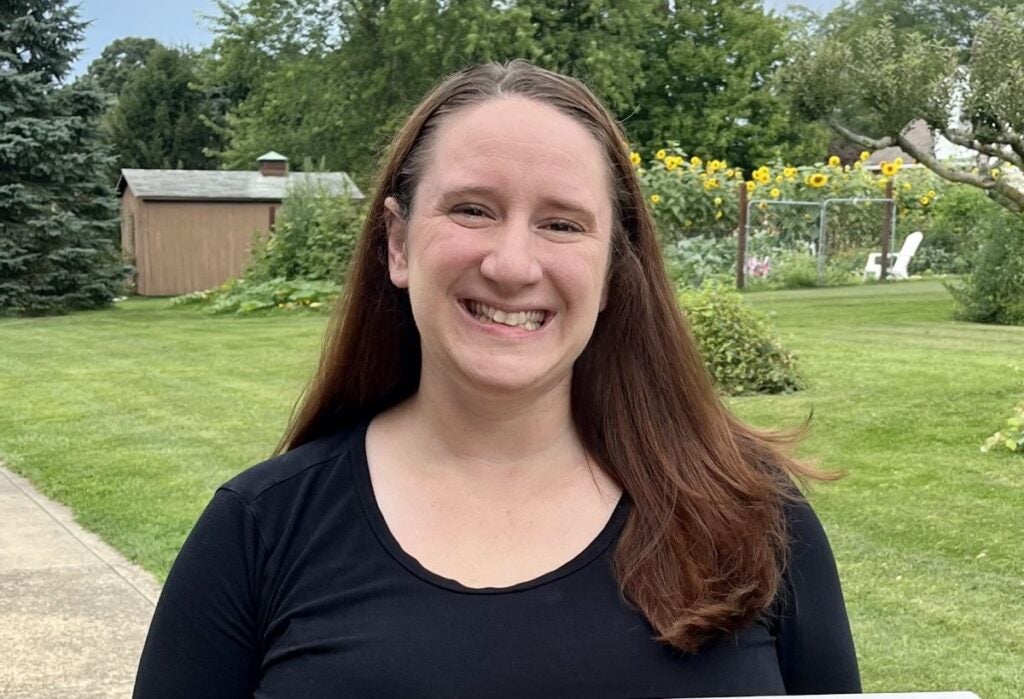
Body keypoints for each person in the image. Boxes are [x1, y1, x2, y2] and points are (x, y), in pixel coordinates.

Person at [133, 61, 860, 698]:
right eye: (472, 210)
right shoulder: (259, 530)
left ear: (612, 269)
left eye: (563, 224)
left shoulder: (750, 514)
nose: (513, 264)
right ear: (397, 241)